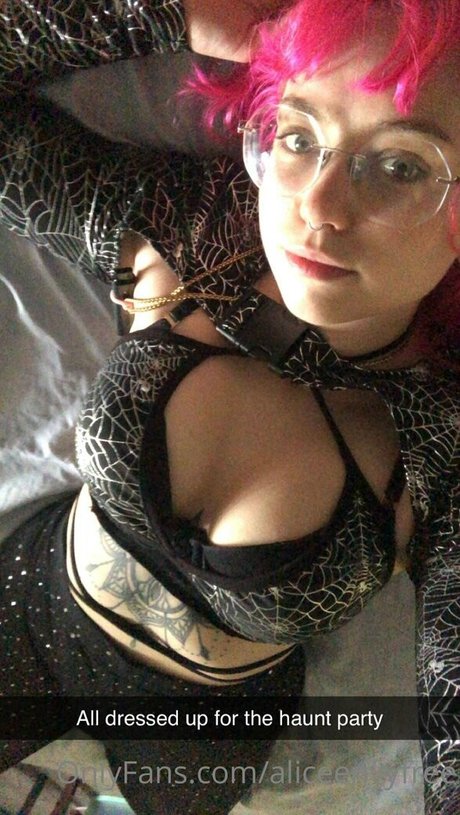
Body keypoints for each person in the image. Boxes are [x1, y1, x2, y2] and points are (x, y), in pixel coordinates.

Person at [0, 1, 458, 814]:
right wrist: (168, 13)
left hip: (197, 734)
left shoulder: (443, 437)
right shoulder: (190, 229)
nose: (319, 206)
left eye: (400, 166)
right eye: (298, 136)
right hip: (33, 599)